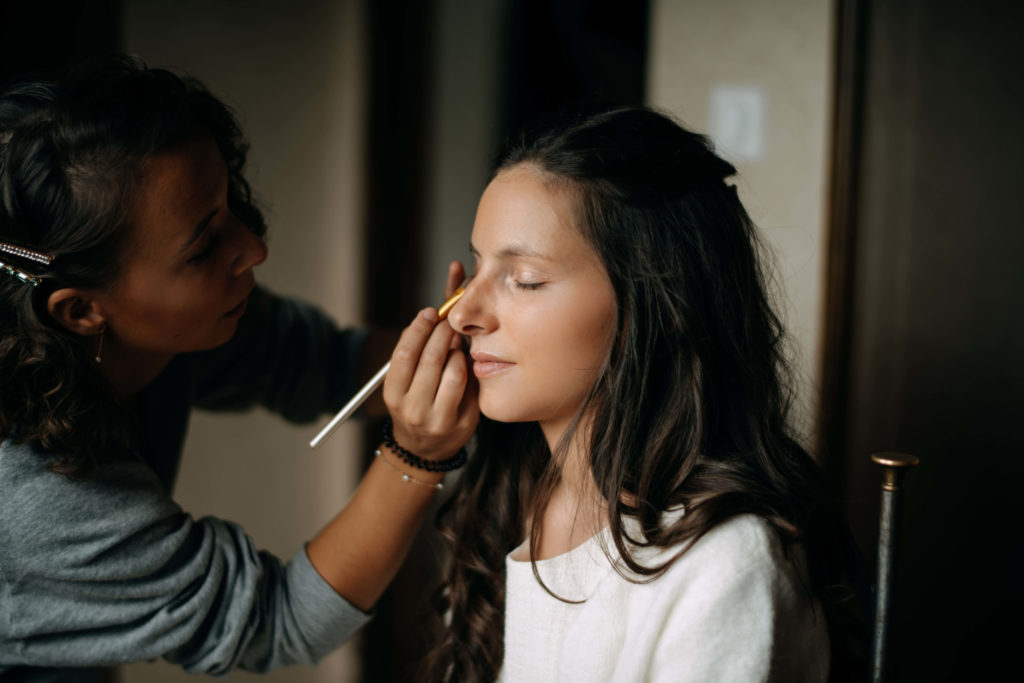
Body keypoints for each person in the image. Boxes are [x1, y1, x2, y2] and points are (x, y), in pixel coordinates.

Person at [0, 57, 477, 681]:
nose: (253, 250)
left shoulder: (178, 323)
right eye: (203, 249)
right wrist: (417, 456)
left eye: (229, 208)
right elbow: (274, 623)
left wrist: (464, 342)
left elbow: (327, 363)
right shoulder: (36, 500)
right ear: (83, 310)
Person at [426, 107, 862, 682]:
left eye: (525, 279)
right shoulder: (511, 496)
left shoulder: (724, 566)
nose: (465, 316)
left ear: (657, 305)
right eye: (478, 268)